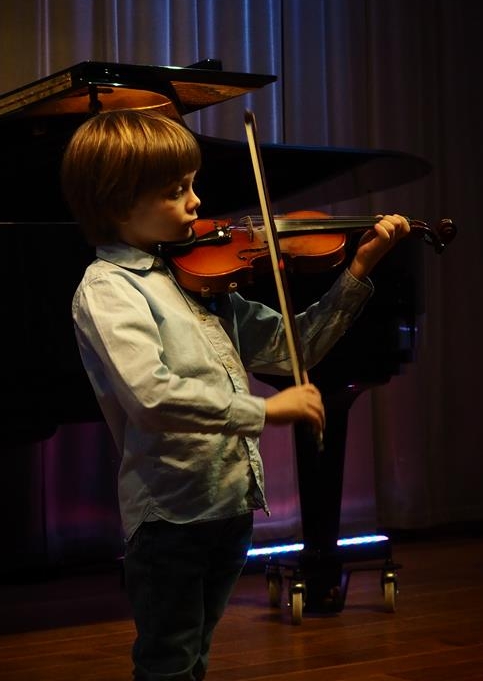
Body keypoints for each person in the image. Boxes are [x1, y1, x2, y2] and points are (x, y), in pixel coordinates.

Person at [60, 108, 410, 681]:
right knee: (168, 662)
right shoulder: (109, 291)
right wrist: (264, 410)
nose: (197, 202)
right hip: (171, 517)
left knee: (196, 656)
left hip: (229, 506)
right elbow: (152, 397)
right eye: (176, 191)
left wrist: (357, 272)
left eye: (192, 185)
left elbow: (295, 347)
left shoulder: (197, 279)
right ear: (118, 204)